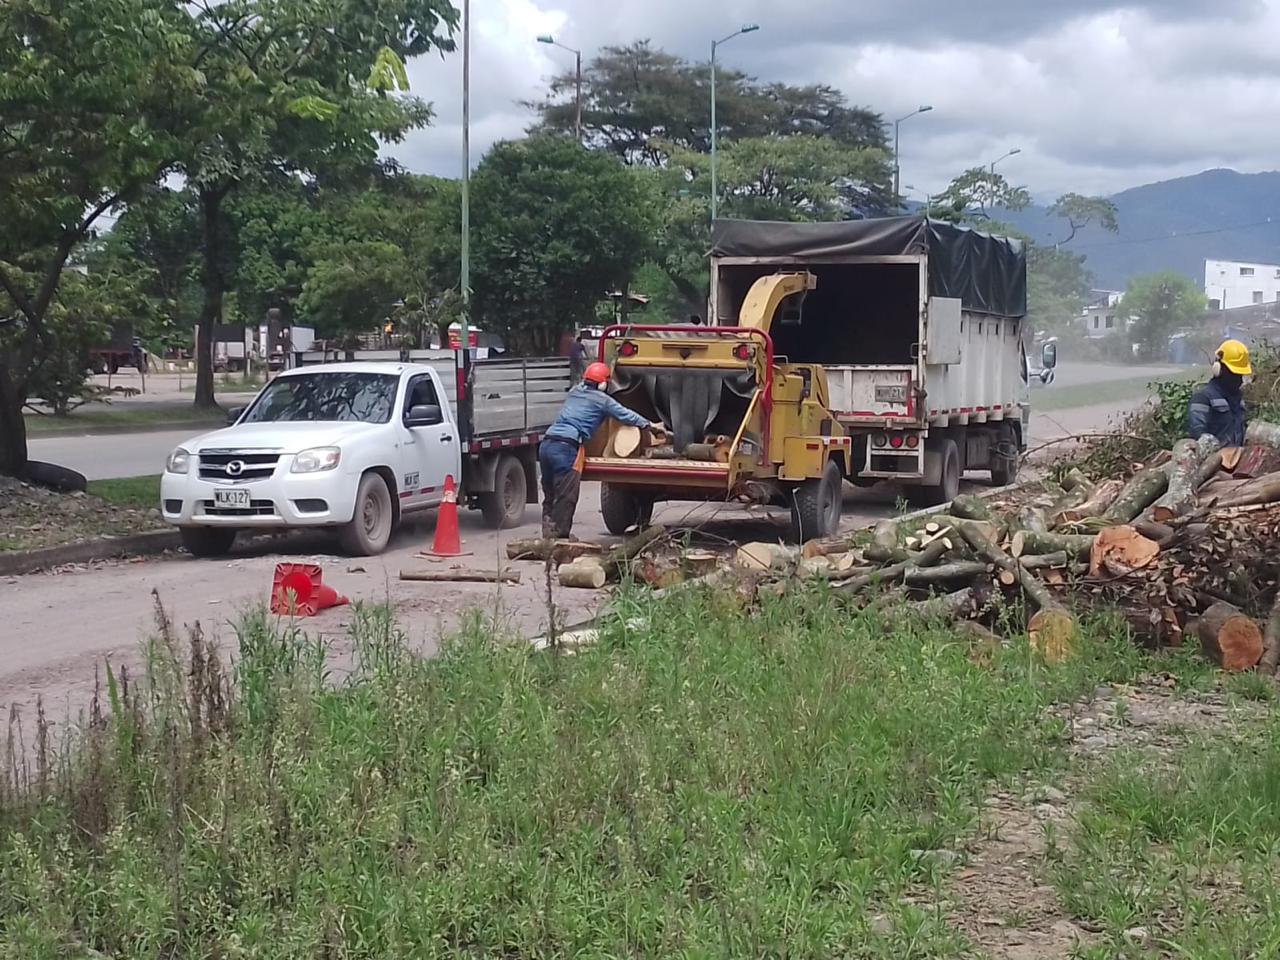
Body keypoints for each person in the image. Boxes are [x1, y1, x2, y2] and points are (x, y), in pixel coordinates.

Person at [539, 361, 665, 538]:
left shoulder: (574, 392)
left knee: (550, 492)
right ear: (603, 384)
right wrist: (649, 425)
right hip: (566, 447)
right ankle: (560, 536)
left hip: (546, 444)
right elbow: (625, 415)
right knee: (566, 494)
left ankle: (548, 531)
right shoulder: (602, 400)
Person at [1187, 339, 1251, 447]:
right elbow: (1197, 434)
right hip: (1213, 456)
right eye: (1233, 373)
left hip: (1236, 455)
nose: (1238, 379)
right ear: (1219, 368)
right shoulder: (1202, 398)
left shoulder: (1237, 399)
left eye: (1240, 374)